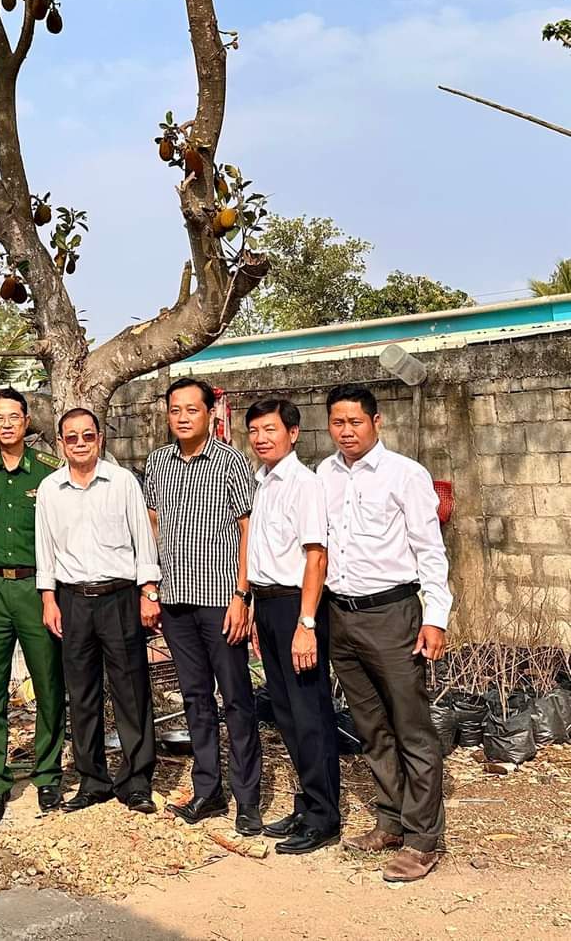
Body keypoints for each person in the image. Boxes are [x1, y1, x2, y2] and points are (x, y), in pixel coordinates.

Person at [318, 383, 452, 884]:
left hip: (393, 614)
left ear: (376, 422)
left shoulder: (405, 474)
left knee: (411, 727)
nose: (346, 431)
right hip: (341, 616)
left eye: (355, 422)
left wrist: (435, 616)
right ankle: (390, 820)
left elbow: (430, 549)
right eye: (337, 422)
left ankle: (422, 839)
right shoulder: (324, 474)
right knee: (370, 727)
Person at [142, 377, 263, 835]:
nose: (182, 417)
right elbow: (152, 524)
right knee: (195, 698)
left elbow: (247, 529)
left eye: (191, 409)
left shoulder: (231, 462)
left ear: (210, 413)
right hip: (175, 601)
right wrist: (150, 587)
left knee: (236, 699)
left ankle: (247, 799)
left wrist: (242, 595)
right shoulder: (157, 463)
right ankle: (207, 789)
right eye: (175, 410)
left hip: (221, 600)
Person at [36, 408, 160, 814]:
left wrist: (149, 590)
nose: (80, 443)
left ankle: (136, 780)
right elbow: (45, 548)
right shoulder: (50, 489)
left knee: (131, 690)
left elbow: (143, 538)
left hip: (119, 597)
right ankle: (93, 780)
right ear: (61, 443)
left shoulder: (122, 482)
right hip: (72, 600)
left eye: (87, 435)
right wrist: (48, 598)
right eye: (71, 437)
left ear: (100, 438)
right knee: (82, 694)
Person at [0, 388, 65, 827]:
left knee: (48, 683)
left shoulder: (48, 472)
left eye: (13, 417)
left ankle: (48, 775)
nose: (6, 424)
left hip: (36, 587)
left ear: (26, 421)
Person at [246, 397, 340, 854]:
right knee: (284, 712)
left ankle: (324, 816)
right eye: (254, 431)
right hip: (267, 605)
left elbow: (315, 556)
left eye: (270, 429)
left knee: (309, 713)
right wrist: (252, 608)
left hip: (295, 607)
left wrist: (306, 623)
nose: (261, 438)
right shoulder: (262, 482)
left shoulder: (304, 484)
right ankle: (307, 803)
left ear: (293, 433)